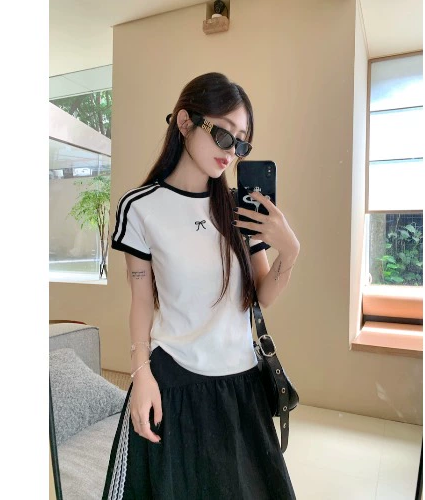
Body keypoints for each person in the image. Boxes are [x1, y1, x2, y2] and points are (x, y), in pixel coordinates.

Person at [102, 72, 300, 499]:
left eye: (241, 143)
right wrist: (141, 375)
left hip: (241, 384)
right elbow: (141, 301)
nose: (231, 152)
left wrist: (290, 252)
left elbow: (262, 295)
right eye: (224, 135)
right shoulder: (140, 208)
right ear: (185, 122)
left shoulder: (239, 209)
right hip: (173, 382)